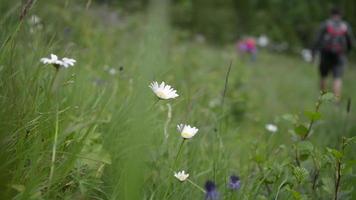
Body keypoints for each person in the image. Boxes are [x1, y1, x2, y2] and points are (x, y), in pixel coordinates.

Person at [312, 8, 354, 101]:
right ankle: (336, 102)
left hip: (325, 54)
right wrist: (347, 53)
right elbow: (351, 43)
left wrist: (313, 53)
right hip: (340, 55)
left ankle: (322, 99)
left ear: (331, 14)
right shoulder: (345, 25)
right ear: (341, 15)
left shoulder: (326, 24)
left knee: (323, 76)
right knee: (337, 78)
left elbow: (317, 40)